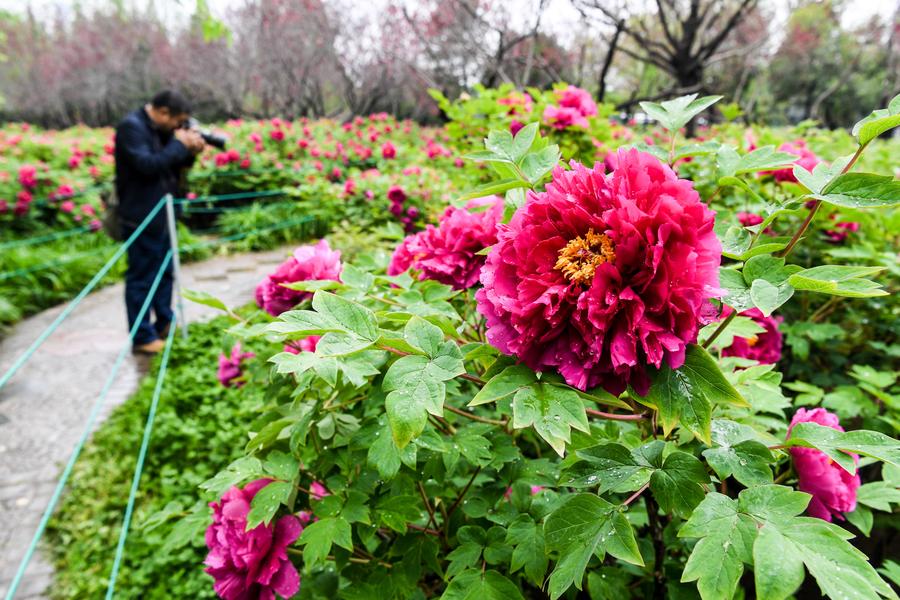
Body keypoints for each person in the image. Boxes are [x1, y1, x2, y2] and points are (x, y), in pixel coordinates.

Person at [114, 90, 205, 354]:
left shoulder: (160, 129)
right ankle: (142, 336)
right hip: (141, 217)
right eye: (178, 120)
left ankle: (164, 322)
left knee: (165, 270)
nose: (179, 127)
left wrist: (190, 151)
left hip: (164, 213)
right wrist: (179, 144)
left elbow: (170, 165)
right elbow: (148, 165)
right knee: (142, 276)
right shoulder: (131, 128)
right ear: (163, 112)